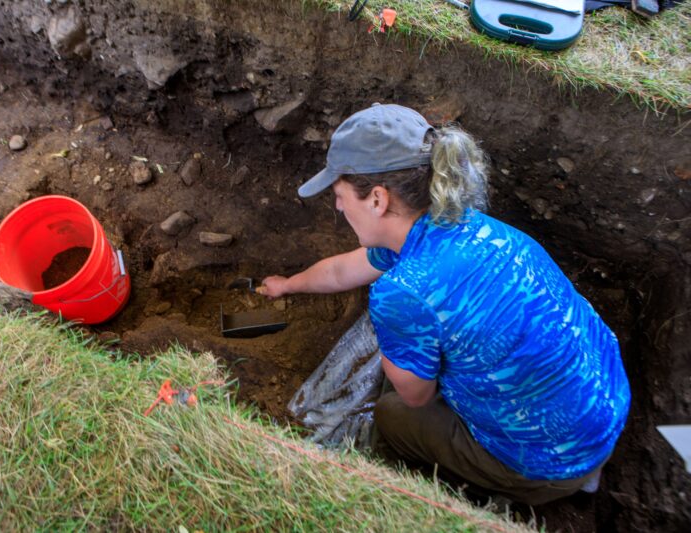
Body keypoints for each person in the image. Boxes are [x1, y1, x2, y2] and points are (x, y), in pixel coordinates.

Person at [258, 103, 631, 506]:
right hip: (605, 402)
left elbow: (417, 397)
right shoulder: (463, 223)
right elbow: (343, 271)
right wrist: (287, 285)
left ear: (378, 199)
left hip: (548, 464)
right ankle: (585, 470)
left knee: (392, 414)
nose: (337, 207)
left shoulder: (403, 294)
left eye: (339, 195)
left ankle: (505, 488)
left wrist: (397, 345)